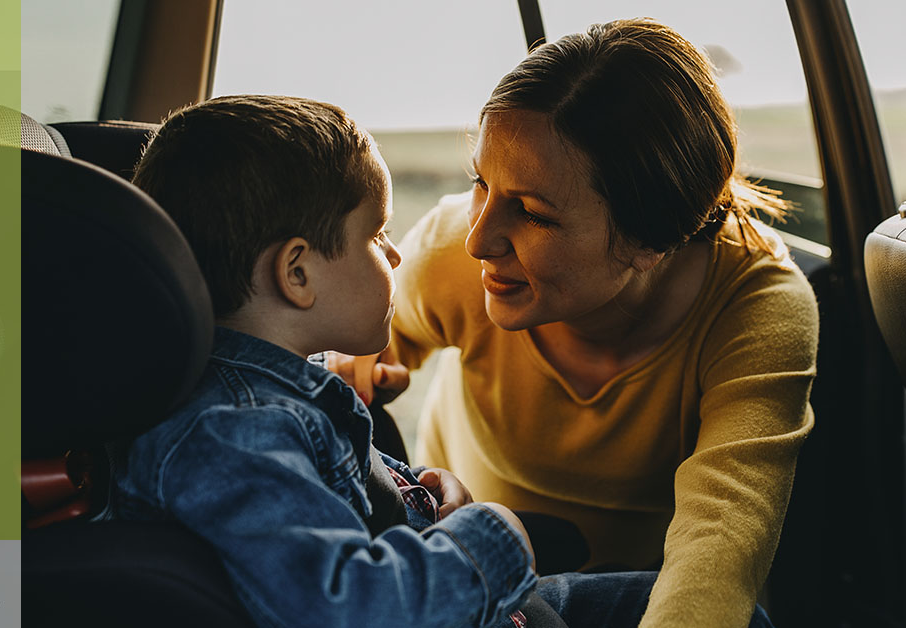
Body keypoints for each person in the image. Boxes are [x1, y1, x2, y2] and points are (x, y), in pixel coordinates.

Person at [108, 94, 676, 628]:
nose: (396, 252)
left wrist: (425, 494)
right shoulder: (235, 436)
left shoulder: (281, 394)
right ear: (297, 273)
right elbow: (357, 608)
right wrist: (492, 535)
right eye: (377, 235)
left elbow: (349, 497)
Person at [332, 18, 818, 628]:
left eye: (532, 213)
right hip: (477, 571)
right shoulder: (449, 255)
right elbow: (329, 360)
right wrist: (350, 369)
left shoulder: (757, 309)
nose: (480, 239)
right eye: (481, 182)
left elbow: (720, 547)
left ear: (651, 241)